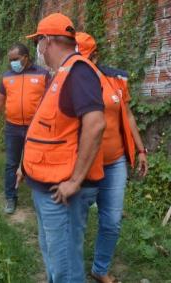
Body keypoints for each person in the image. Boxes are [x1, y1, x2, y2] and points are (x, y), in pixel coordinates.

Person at [19, 13, 106, 282]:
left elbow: (96, 125)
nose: (39, 50)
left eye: (39, 42)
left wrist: (75, 180)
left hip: (61, 192)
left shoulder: (78, 72)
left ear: (47, 41)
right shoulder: (61, 74)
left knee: (66, 267)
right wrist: (25, 166)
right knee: (54, 258)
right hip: (45, 186)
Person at [76, 32, 149, 283]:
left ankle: (100, 269)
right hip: (84, 163)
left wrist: (141, 150)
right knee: (77, 222)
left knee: (112, 220)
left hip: (115, 160)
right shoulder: (69, 81)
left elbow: (127, 116)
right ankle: (72, 272)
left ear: (95, 56)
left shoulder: (115, 79)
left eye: (85, 58)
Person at [0, 42, 50, 214]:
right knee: (11, 163)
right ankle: (10, 197)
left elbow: (50, 100)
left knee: (37, 162)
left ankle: (40, 198)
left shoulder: (42, 75)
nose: (12, 63)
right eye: (10, 60)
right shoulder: (7, 77)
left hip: (35, 128)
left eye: (16, 59)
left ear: (26, 57)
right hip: (12, 127)